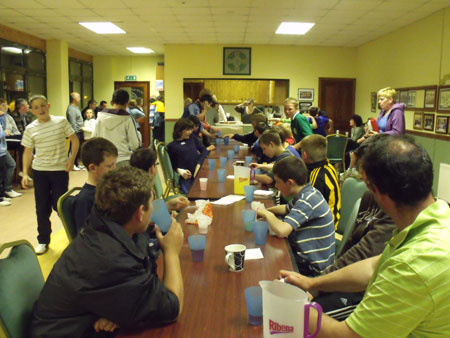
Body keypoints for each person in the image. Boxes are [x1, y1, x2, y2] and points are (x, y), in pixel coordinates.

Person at [279, 134, 450, 337]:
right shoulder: (436, 215)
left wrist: (293, 306)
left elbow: (348, 335)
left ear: (376, 191)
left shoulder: (412, 265)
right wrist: (312, 283)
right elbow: (373, 266)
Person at [30, 167, 184, 337]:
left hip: (78, 322)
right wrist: (171, 252)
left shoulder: (103, 223)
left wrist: (123, 312)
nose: (153, 210)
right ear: (140, 213)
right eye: (151, 204)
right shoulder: (113, 260)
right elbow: (172, 308)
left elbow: (134, 281)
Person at [256, 156, 335, 276]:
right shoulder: (308, 193)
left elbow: (282, 231)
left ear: (289, 183)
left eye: (277, 182)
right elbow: (286, 209)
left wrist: (266, 214)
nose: (276, 186)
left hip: (312, 268)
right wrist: (264, 210)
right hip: (306, 256)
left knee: (265, 266)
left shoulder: (307, 201)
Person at [21, 95, 79, 254]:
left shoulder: (61, 122)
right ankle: (43, 240)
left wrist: (71, 159)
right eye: (36, 107)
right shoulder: (30, 128)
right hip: (40, 172)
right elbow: (27, 152)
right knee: (42, 207)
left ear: (48, 105)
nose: (41, 109)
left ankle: (75, 235)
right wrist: (25, 173)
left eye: (43, 105)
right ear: (32, 111)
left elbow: (74, 140)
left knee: (60, 205)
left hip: (59, 171)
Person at [73, 137, 118, 234]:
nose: (115, 169)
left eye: (115, 164)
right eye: (110, 166)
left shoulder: (111, 187)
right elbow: (85, 237)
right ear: (93, 168)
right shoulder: (85, 200)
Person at [301, 134, 341, 230]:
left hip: (324, 228)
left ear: (305, 155)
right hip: (332, 218)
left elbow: (310, 208)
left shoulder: (317, 176)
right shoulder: (328, 166)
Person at [130, 148, 189, 212]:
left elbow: (153, 211)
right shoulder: (145, 192)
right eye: (156, 164)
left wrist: (169, 205)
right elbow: (150, 217)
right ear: (152, 169)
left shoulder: (137, 186)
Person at [93, 89, 141, 166]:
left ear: (111, 102)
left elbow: (94, 138)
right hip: (123, 159)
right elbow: (134, 144)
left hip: (104, 160)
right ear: (127, 103)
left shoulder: (100, 117)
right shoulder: (127, 118)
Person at [167, 118, 208, 194]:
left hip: (199, 172)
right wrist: (181, 172)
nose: (190, 132)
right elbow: (172, 165)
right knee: (192, 194)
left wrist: (199, 164)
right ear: (179, 131)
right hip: (186, 177)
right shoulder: (171, 146)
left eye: (191, 129)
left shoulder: (192, 138)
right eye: (187, 130)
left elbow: (204, 150)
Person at [0, 99, 22, 199]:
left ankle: (7, 190)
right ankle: (4, 193)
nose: (6, 107)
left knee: (11, 165)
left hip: (3, 147)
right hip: (2, 147)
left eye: (6, 105)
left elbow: (14, 130)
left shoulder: (7, 116)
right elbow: (4, 132)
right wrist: (5, 133)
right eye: (3, 105)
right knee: (4, 170)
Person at [66, 92, 84, 170]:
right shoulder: (71, 109)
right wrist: (76, 132)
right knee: (73, 148)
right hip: (76, 132)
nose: (80, 99)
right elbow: (72, 122)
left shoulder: (76, 107)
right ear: (74, 99)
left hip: (80, 131)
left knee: (78, 148)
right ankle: (72, 164)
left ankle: (76, 164)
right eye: (79, 97)